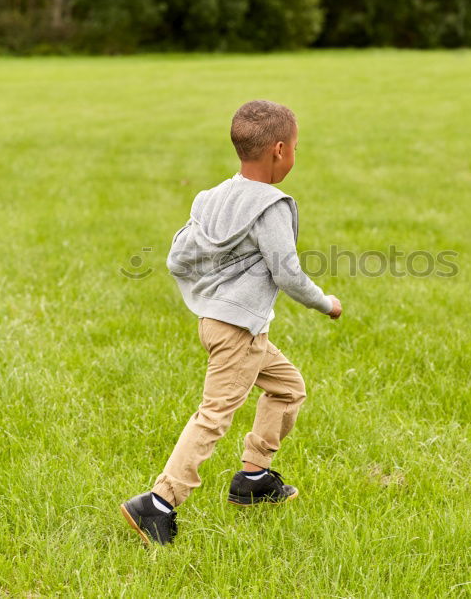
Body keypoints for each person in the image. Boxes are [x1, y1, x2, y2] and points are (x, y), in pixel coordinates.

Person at [120, 99, 343, 546]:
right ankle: (158, 503)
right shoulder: (270, 207)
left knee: (287, 387)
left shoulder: (214, 197)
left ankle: (254, 478)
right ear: (279, 150)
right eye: (296, 147)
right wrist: (325, 303)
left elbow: (178, 255)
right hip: (239, 331)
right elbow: (288, 273)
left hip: (222, 324)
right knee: (214, 414)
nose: (296, 155)